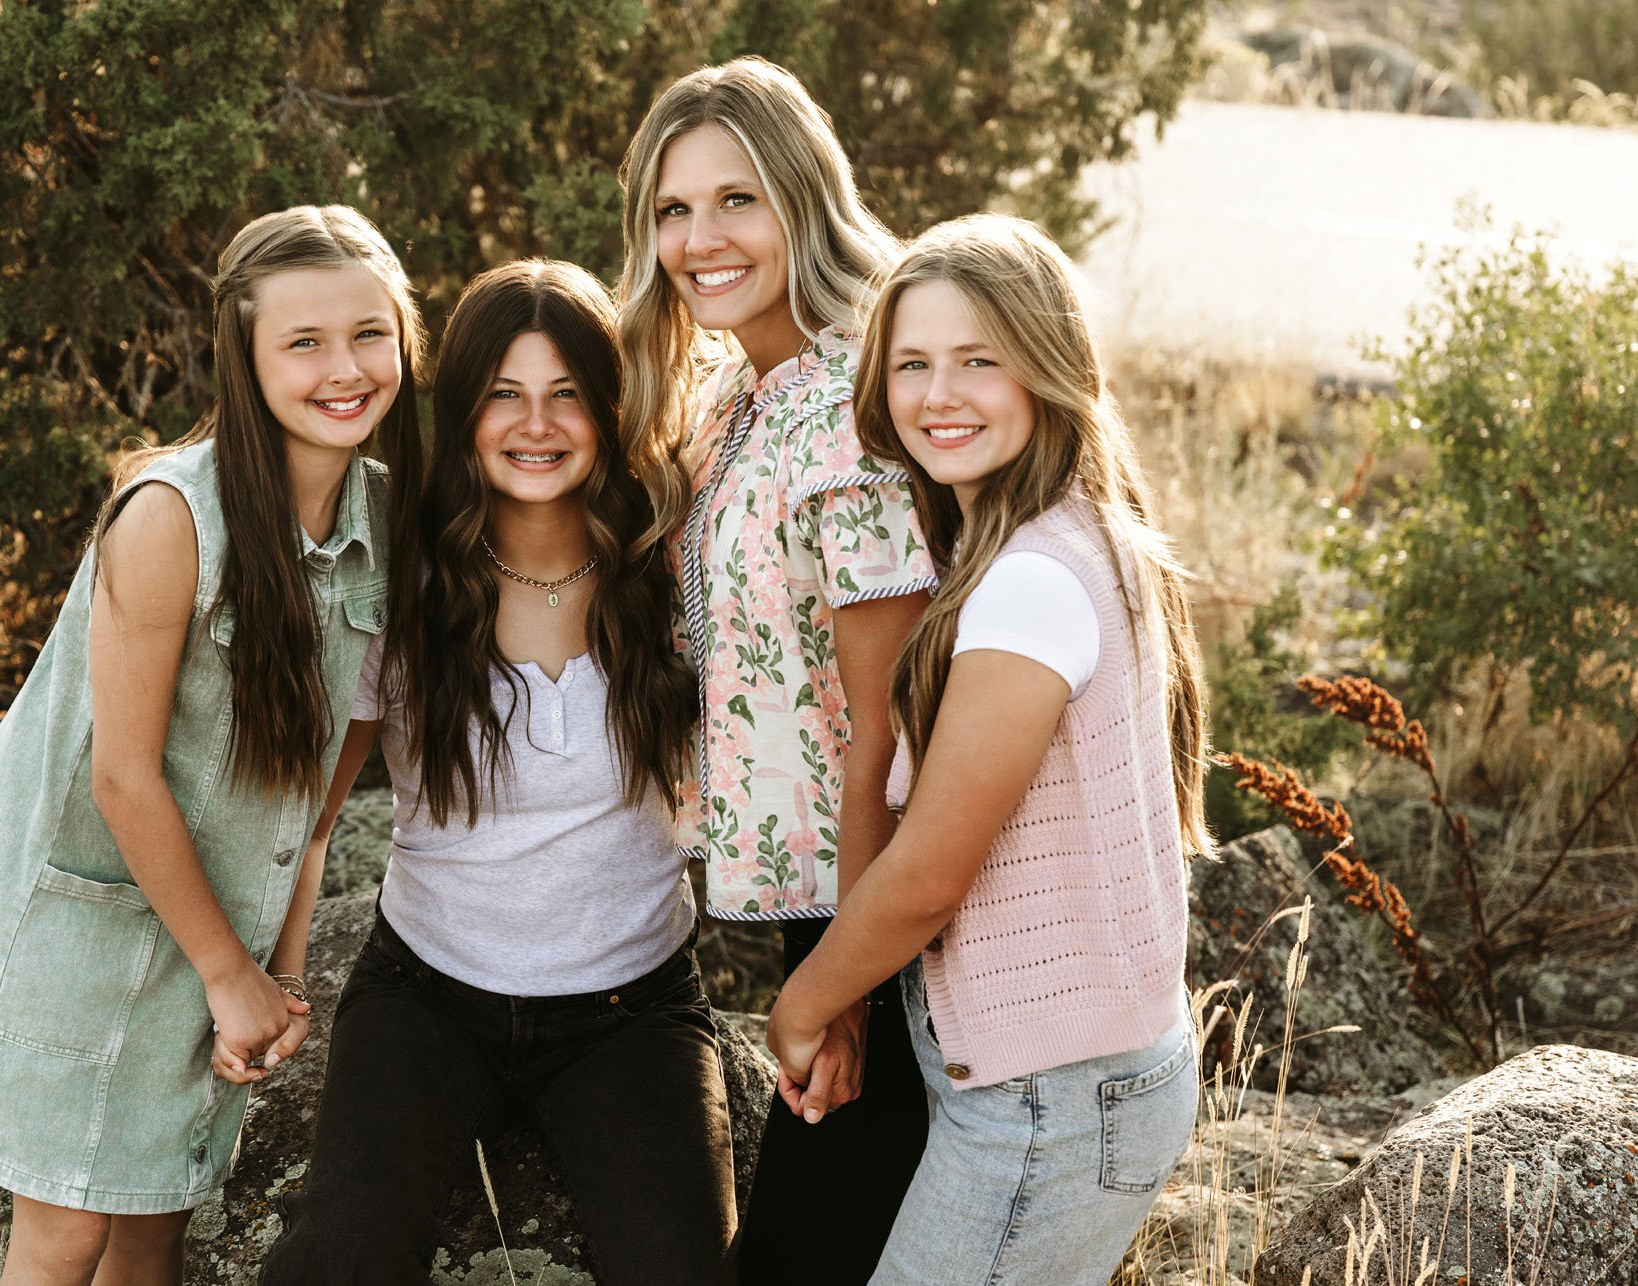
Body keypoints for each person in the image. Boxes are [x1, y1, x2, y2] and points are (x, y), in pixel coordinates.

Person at [0, 205, 424, 1285]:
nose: (345, 368)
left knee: (156, 1224)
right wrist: (232, 972)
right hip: (79, 930)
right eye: (304, 341)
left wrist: (275, 976)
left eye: (371, 333)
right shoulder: (168, 517)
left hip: (219, 932)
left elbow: (316, 806)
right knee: (67, 1233)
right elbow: (123, 776)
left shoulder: (389, 528)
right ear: (244, 353)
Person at [260, 259, 733, 1286]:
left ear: (609, 411)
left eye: (567, 393)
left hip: (633, 1008)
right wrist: (281, 972)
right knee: (334, 1264)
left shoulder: (671, 562)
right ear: (465, 410)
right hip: (426, 995)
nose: (538, 424)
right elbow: (316, 806)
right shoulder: (406, 579)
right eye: (504, 396)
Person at [765, 213, 1213, 1285]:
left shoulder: (1028, 581)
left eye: (979, 361)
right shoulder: (1065, 528)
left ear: (1049, 369)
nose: (938, 394)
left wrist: (805, 1001)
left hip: (1049, 1102)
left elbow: (930, 871)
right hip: (1067, 1082)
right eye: (912, 363)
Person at [617, 55, 938, 1283]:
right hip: (822, 909)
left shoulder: (851, 408)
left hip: (880, 918)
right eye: (672, 208)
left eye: (736, 200)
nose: (700, 238)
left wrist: (848, 981)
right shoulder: (732, 394)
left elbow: (885, 724)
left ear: (804, 198)